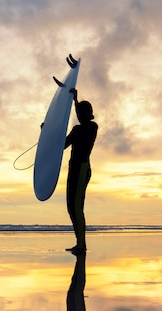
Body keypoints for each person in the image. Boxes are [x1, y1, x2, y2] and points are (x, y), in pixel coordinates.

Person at [65, 88, 98, 253]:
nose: (79, 115)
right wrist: (48, 133)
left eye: (82, 113)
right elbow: (62, 145)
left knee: (77, 207)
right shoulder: (77, 130)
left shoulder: (92, 127)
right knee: (70, 206)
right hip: (73, 169)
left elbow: (82, 127)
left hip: (82, 168)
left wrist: (75, 101)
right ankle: (79, 243)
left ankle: (81, 245)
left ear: (88, 114)